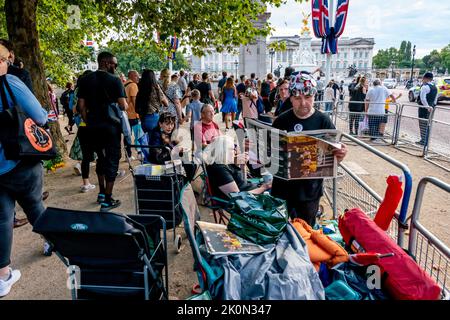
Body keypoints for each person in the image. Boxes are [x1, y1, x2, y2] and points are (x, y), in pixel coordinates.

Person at [0, 43, 48, 297]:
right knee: (34, 205)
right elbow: (39, 117)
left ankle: (3, 275)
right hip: (18, 159)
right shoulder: (9, 83)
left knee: (1, 219)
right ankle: (52, 241)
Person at [271, 72, 348, 227]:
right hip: (282, 189)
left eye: (308, 98)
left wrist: (340, 155)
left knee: (306, 234)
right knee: (279, 230)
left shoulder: (323, 121)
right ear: (291, 98)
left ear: (314, 96)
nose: (303, 103)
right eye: (298, 98)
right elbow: (270, 154)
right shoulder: (281, 120)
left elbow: (333, 156)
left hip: (309, 191)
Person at [77, 51, 128, 211]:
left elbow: (81, 106)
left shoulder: (85, 80)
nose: (115, 66)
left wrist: (88, 120)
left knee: (100, 158)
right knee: (112, 159)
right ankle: (108, 198)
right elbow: (123, 105)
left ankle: (101, 192)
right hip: (110, 127)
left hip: (92, 126)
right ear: (106, 63)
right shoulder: (115, 80)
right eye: (114, 63)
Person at [203, 135, 270, 201]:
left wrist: (242, 165)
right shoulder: (219, 169)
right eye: (233, 149)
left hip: (253, 190)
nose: (235, 152)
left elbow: (244, 182)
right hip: (251, 199)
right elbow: (237, 197)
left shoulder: (226, 163)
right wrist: (264, 187)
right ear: (224, 151)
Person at [364, 79, 397, 143]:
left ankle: (373, 138)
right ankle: (377, 138)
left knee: (372, 125)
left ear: (373, 84)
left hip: (372, 111)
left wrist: (366, 111)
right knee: (379, 124)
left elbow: (367, 101)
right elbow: (392, 96)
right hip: (381, 111)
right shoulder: (384, 88)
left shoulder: (370, 90)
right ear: (380, 83)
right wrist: (394, 101)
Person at [124, 70, 144, 160]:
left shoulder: (124, 84)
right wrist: (139, 113)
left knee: (127, 136)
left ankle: (127, 155)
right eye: (136, 76)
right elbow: (134, 101)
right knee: (138, 135)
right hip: (133, 115)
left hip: (125, 115)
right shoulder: (133, 85)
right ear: (132, 76)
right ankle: (139, 153)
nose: (138, 77)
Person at [416, 72, 438, 146]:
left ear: (426, 78)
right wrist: (433, 105)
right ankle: (426, 140)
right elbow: (435, 99)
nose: (422, 79)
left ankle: (423, 141)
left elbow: (423, 99)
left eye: (423, 78)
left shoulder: (424, 87)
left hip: (424, 108)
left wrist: (427, 106)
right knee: (428, 123)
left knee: (422, 123)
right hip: (432, 107)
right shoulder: (435, 87)